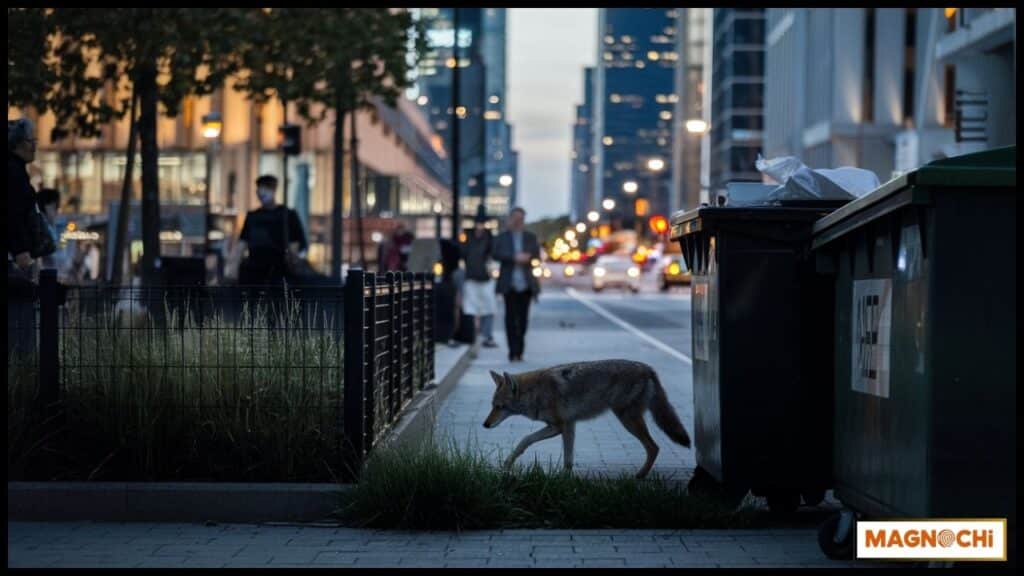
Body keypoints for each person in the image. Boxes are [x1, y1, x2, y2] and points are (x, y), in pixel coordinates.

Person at [230, 175, 308, 286]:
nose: (261, 193)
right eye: (259, 189)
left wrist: (293, 262)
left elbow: (295, 244)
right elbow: (242, 244)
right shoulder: (253, 216)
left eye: (266, 188)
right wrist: (233, 270)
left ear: (274, 190)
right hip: (255, 271)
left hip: (281, 271)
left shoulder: (288, 215)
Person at [8, 118, 40, 356]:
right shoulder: (14, 174)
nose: (35, 146)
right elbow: (14, 216)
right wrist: (22, 252)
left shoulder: (16, 171)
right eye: (32, 141)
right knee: (19, 324)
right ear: (19, 143)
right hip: (16, 259)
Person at [493, 206, 540, 362]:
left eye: (521, 219)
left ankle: (520, 349)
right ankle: (512, 351)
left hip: (526, 284)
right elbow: (495, 254)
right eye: (515, 218)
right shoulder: (503, 237)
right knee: (510, 318)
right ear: (510, 219)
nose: (518, 221)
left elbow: (537, 255)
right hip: (509, 283)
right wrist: (513, 257)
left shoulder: (530, 237)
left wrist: (528, 257)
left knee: (523, 319)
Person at [461, 208, 498, 348]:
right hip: (471, 276)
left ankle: (487, 335)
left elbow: (492, 254)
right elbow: (463, 252)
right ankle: (471, 335)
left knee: (489, 307)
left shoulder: (489, 237)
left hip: (485, 277)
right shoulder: (468, 235)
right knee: (470, 307)